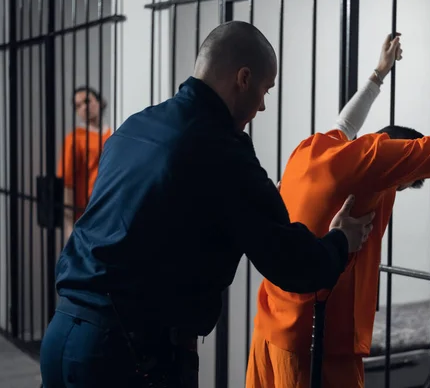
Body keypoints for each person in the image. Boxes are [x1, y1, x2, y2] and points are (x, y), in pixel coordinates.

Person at [39, 21, 375, 388]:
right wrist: (341, 240)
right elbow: (290, 263)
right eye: (266, 90)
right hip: (126, 355)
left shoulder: (136, 126)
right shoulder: (221, 151)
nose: (262, 106)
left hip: (62, 334)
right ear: (243, 78)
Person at [245, 31, 430, 388]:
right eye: (399, 184)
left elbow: (345, 124)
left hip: (269, 332)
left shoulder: (316, 148)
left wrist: (379, 72)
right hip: (317, 347)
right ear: (396, 163)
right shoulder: (376, 163)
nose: (394, 191)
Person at [57, 87, 112, 241]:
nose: (84, 107)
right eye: (78, 105)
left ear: (100, 102)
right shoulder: (74, 139)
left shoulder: (113, 133)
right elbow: (67, 183)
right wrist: (69, 224)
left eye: (87, 101)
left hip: (110, 209)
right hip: (85, 212)